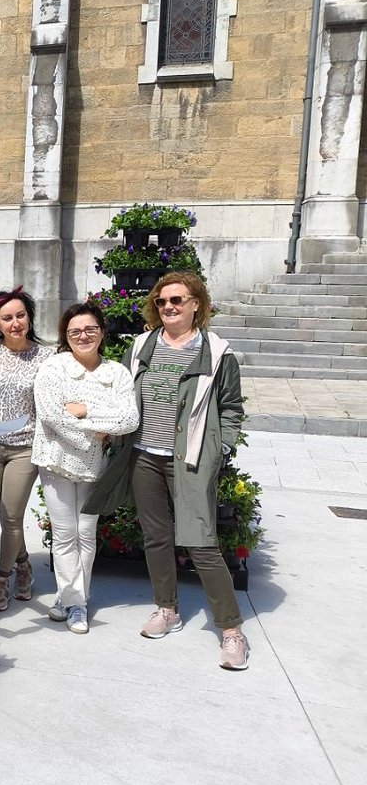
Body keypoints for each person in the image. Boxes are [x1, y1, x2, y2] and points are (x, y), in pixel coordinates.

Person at [85, 272, 250, 669]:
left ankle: (231, 630)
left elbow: (231, 407)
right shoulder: (142, 345)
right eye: (161, 302)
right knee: (156, 537)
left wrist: (220, 447)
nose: (168, 307)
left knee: (202, 541)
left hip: (189, 458)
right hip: (143, 455)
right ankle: (167, 609)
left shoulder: (217, 352)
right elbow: (120, 393)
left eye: (177, 300)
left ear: (197, 304)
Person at [32, 303, 139, 634]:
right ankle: (75, 602)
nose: (83, 336)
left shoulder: (116, 374)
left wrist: (85, 410)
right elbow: (52, 415)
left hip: (98, 468)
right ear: (66, 336)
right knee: (65, 534)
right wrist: (98, 433)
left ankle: (73, 599)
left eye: (90, 329)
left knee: (86, 534)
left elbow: (129, 419)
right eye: (75, 331)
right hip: (56, 462)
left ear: (102, 332)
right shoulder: (53, 369)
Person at [0, 286, 54, 612]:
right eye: (7, 318)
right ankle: (24, 565)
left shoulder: (47, 356)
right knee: (7, 517)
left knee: (11, 516)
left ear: (30, 318)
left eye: (21, 315)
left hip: (24, 447)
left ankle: (2, 578)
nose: (15, 322)